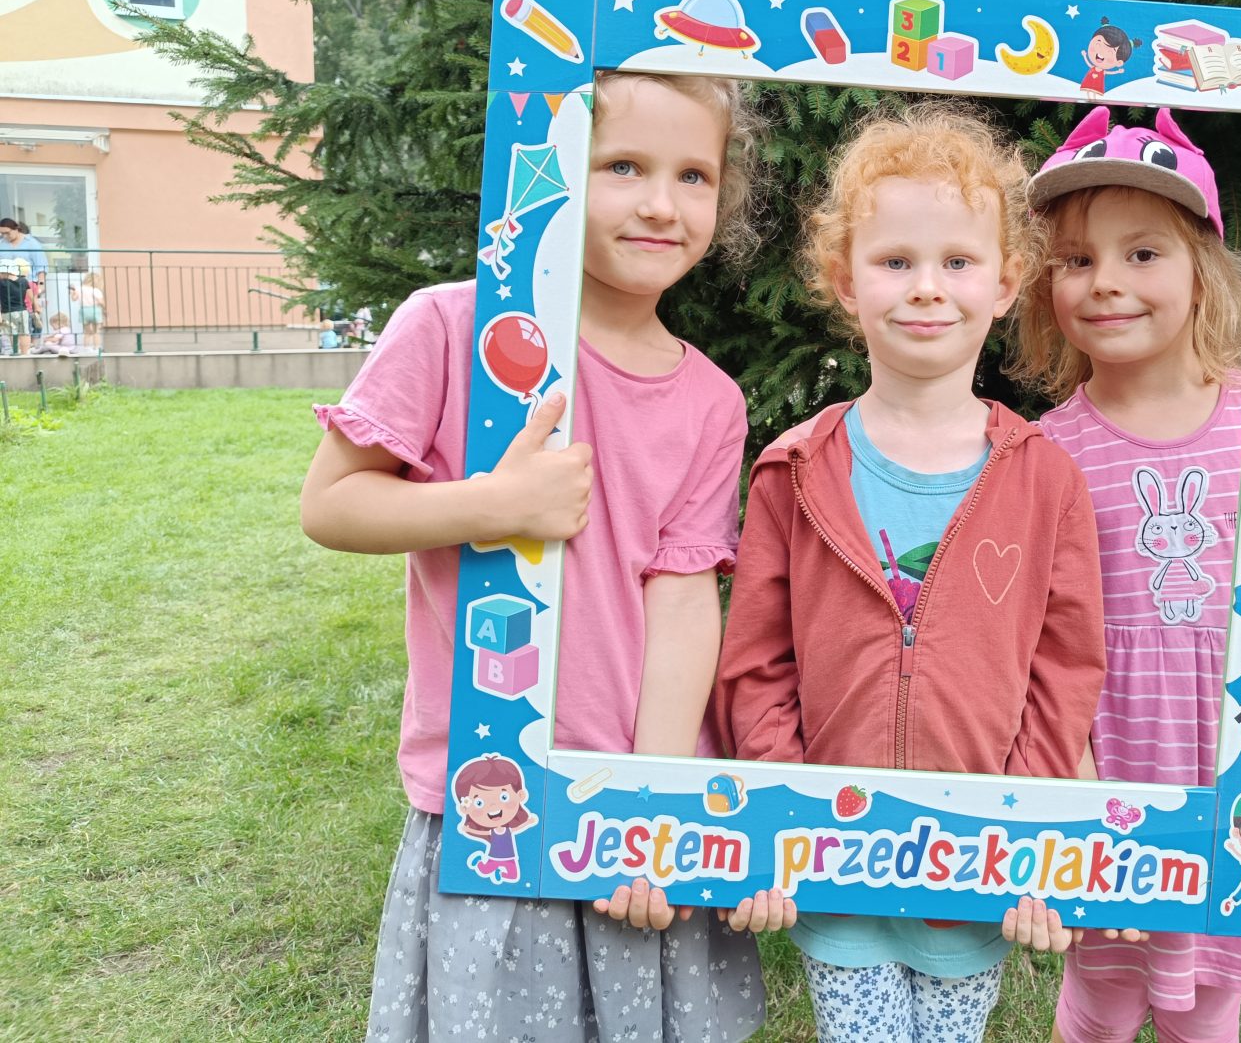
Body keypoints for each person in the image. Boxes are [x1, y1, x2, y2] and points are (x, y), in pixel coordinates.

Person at [300, 72, 771, 1043]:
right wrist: (492, 506)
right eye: (623, 166)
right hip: (493, 796)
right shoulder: (452, 327)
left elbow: (684, 600)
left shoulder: (711, 401)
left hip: (630, 798)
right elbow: (331, 505)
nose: (661, 203)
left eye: (693, 175)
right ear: (552, 171)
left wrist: (652, 803)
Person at [715, 103, 1108, 1043]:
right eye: (895, 261)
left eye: (957, 262)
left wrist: (1025, 828)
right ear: (844, 282)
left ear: (1006, 283)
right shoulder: (794, 469)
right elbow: (756, 662)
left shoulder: (1047, 479)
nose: (927, 288)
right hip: (835, 858)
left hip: (977, 863)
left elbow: (1065, 668)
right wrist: (783, 815)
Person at [1010, 106, 1241, 1043]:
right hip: (1110, 762)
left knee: (1209, 1005)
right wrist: (1073, 797)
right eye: (1076, 259)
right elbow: (1037, 644)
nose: (1106, 281)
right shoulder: (1044, 453)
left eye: (1143, 253)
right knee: (1098, 1002)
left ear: (1203, 271)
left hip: (1238, 765)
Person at [0, 222, 33, 354]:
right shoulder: (23, 281)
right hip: (22, 311)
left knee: (9, 333)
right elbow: (30, 296)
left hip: (7, 312)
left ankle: (14, 351)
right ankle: (25, 353)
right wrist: (35, 306)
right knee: (24, 333)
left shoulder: (1, 283)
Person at [76, 274, 105, 351]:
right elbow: (101, 302)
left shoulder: (79, 289)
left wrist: (73, 293)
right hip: (95, 310)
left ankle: (86, 348)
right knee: (96, 331)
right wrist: (104, 308)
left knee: (87, 332)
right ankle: (97, 348)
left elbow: (74, 298)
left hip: (84, 311)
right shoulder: (95, 290)